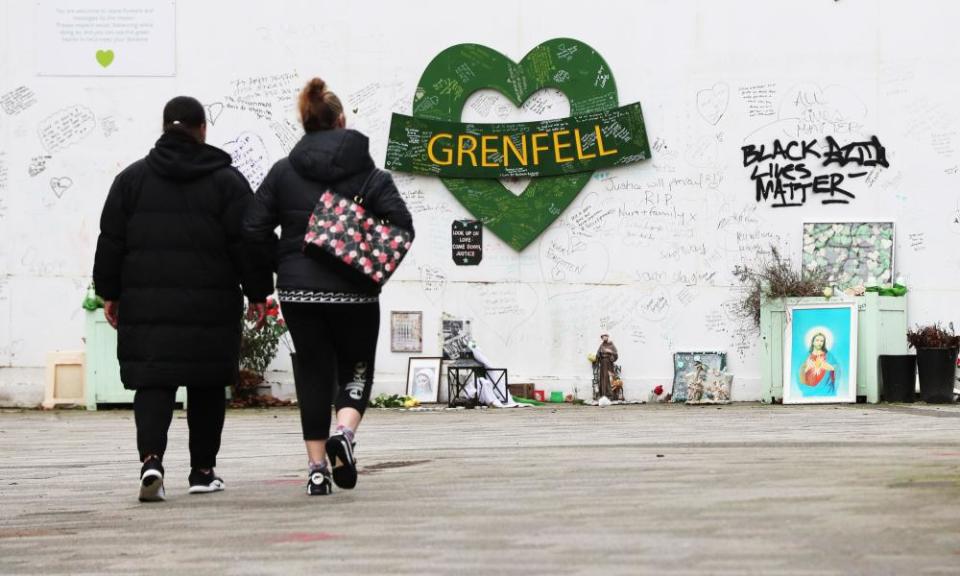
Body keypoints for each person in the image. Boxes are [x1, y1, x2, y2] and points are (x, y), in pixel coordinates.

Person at [93, 96, 272, 502]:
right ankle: (202, 471)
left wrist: (110, 292)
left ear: (164, 128)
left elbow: (112, 241)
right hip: (210, 305)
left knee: (153, 383)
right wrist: (258, 291)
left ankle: (151, 461)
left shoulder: (131, 180)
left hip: (147, 304)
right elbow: (249, 241)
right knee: (207, 384)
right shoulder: (227, 182)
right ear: (203, 129)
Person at [243, 78, 414, 496]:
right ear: (341, 121)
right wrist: (360, 249)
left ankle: (317, 470)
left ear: (306, 123)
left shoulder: (283, 171)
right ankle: (345, 433)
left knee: (314, 374)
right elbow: (402, 227)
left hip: (299, 292)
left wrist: (280, 263)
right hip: (355, 292)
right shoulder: (370, 176)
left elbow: (252, 228)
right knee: (355, 367)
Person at [594, 333, 621, 401]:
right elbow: (598, 354)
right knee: (603, 378)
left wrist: (610, 353)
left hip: (609, 364)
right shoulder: (601, 345)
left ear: (607, 337)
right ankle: (603, 394)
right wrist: (598, 357)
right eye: (602, 337)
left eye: (605, 336)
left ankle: (610, 395)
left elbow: (615, 354)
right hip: (603, 364)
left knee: (609, 378)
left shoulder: (611, 345)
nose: (604, 338)